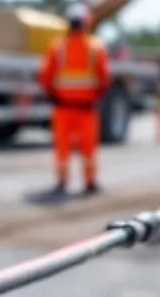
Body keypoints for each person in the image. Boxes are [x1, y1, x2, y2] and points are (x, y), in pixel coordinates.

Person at [38, 2, 110, 194]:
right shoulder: (96, 48)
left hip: (63, 108)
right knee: (88, 149)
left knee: (63, 149)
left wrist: (53, 95)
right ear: (86, 23)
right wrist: (96, 96)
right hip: (86, 109)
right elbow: (104, 79)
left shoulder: (57, 48)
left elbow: (45, 77)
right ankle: (90, 182)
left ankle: (62, 182)